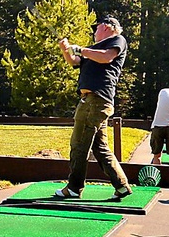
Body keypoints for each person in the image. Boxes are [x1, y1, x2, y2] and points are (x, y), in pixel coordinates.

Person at [55, 16, 131, 200]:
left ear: (106, 27)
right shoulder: (94, 49)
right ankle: (121, 186)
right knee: (99, 147)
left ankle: (74, 188)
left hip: (96, 100)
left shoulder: (117, 40)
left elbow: (106, 58)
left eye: (96, 28)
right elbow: (75, 62)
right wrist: (66, 50)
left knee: (79, 144)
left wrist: (81, 49)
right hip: (92, 101)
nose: (94, 32)